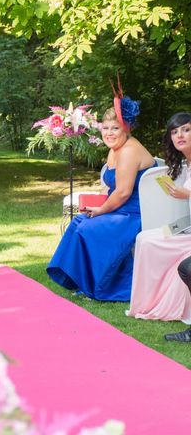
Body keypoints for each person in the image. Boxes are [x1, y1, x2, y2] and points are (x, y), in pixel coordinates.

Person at [47, 94, 156, 301]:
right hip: (120, 208)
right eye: (105, 128)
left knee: (89, 228)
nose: (109, 133)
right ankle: (80, 281)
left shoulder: (129, 151)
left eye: (115, 128)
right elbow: (110, 188)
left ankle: (99, 286)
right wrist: (95, 203)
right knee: (78, 222)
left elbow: (123, 192)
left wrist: (102, 210)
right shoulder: (115, 150)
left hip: (135, 214)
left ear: (127, 128)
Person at [127, 112, 191, 323]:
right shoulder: (187, 164)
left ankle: (160, 304)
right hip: (187, 225)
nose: (180, 135)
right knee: (144, 237)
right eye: (174, 132)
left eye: (186, 130)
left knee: (154, 243)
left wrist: (188, 194)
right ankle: (144, 303)